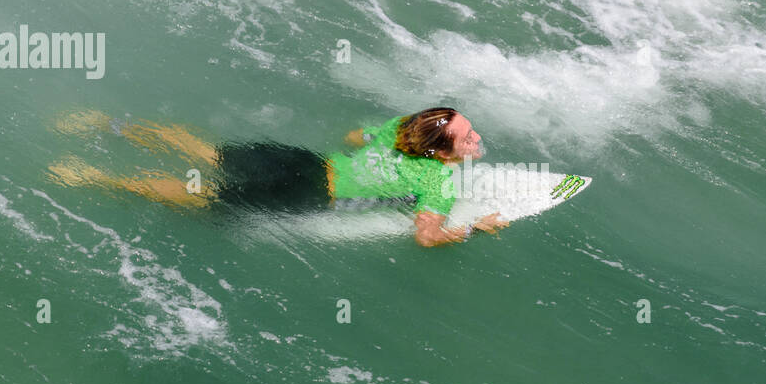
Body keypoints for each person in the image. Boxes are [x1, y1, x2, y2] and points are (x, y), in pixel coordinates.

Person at [47, 107, 508, 246]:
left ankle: (111, 124)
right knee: (208, 196)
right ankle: (88, 176)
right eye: (467, 137)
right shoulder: (440, 184)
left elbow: (353, 134)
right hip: (304, 191)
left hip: (305, 161)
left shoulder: (400, 130)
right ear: (439, 151)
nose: (476, 137)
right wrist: (472, 227)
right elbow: (426, 237)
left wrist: (379, 152)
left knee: (206, 151)